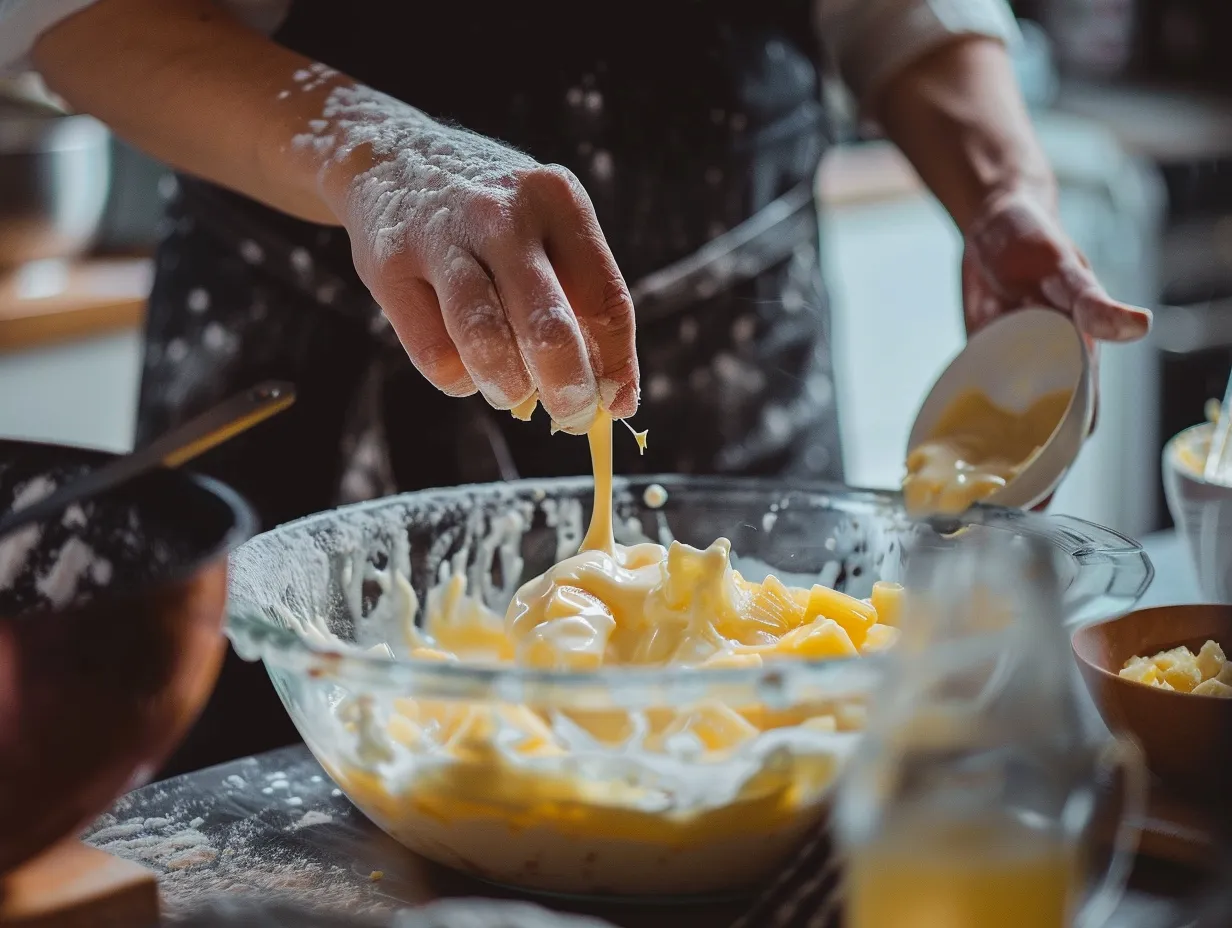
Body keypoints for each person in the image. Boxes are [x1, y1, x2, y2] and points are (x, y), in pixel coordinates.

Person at [3, 0, 1151, 775]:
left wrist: (1002, 185)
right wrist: (380, 157)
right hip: (308, 347)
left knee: (767, 753)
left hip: (736, 354)